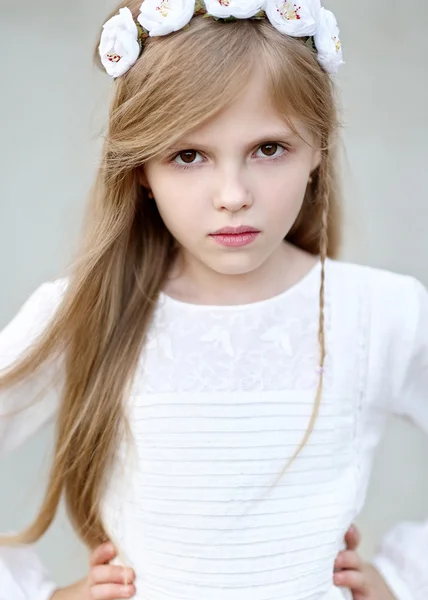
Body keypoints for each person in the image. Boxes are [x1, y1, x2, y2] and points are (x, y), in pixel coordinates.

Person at [0, 0, 426, 599]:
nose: (232, 194)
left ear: (318, 151)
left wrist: (406, 582)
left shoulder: (382, 314)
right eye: (188, 155)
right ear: (142, 170)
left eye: (269, 148)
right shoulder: (86, 310)